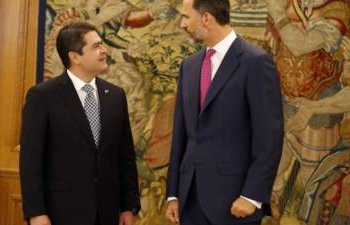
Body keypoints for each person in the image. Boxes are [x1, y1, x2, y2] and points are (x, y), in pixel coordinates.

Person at [164, 0, 283, 224]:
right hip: (189, 202)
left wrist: (251, 196)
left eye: (186, 17)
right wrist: (173, 194)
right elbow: (181, 135)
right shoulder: (188, 66)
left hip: (235, 203)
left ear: (206, 18)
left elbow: (269, 137)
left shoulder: (256, 62)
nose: (182, 24)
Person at [19, 22, 140, 225]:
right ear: (74, 57)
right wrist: (36, 212)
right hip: (61, 213)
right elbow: (31, 161)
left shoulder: (116, 96)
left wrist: (129, 206)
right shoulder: (43, 96)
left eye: (102, 44)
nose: (104, 51)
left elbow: (125, 155)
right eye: (96, 47)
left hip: (108, 214)